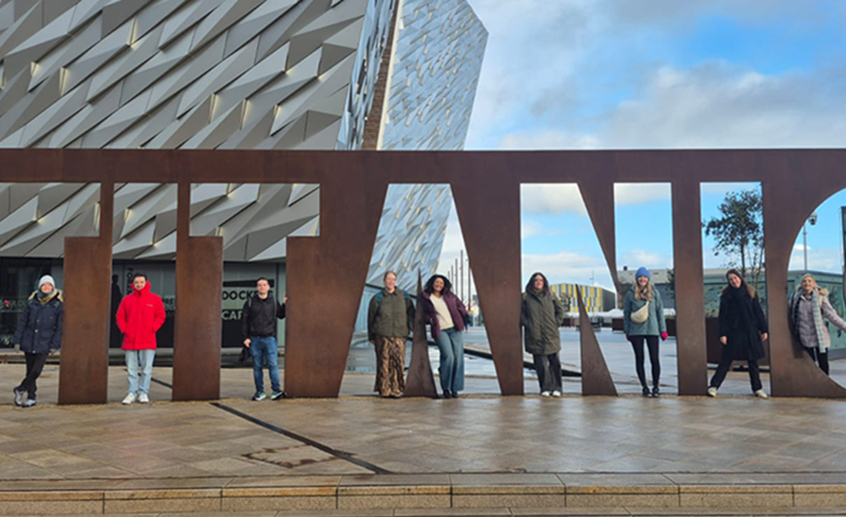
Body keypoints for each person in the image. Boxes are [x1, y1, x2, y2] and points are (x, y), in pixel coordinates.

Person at [708, 269, 769, 398]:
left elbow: (758, 312)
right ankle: (713, 386)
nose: (734, 281)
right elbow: (722, 317)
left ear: (740, 278)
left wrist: (764, 329)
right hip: (734, 332)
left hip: (750, 331)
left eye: (735, 278)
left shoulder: (750, 293)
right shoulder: (726, 296)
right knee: (726, 361)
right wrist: (722, 334)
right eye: (730, 279)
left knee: (753, 362)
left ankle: (757, 388)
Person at [12, 275, 63, 408]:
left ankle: (20, 388)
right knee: (30, 371)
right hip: (29, 340)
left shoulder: (57, 304)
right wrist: (17, 340)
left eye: (49, 285)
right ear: (40, 287)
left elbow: (59, 327)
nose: (46, 288)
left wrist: (54, 344)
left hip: (45, 342)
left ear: (53, 287)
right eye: (44, 285)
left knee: (37, 370)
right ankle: (31, 397)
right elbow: (22, 322)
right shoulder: (31, 302)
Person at [116, 273, 165, 405]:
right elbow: (120, 316)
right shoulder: (127, 300)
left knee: (146, 369)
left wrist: (152, 328)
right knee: (131, 369)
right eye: (136, 282)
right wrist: (125, 329)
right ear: (133, 284)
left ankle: (143, 392)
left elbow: (161, 315)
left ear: (146, 283)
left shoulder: (155, 299)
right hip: (130, 339)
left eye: (141, 282)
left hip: (148, 339)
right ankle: (132, 392)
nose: (139, 284)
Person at [368, 271, 415, 398]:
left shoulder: (404, 296)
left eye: (393, 279)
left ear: (396, 281)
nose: (390, 282)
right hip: (382, 334)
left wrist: (411, 328)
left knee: (398, 362)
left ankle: (396, 388)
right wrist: (371, 336)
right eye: (388, 279)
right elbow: (371, 317)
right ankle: (384, 389)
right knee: (384, 363)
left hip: (399, 334)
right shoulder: (377, 298)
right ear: (384, 281)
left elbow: (411, 314)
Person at [421, 274, 469, 398]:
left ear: (444, 285)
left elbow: (460, 306)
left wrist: (462, 315)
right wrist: (430, 319)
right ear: (432, 283)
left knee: (458, 358)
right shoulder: (426, 297)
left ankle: (455, 388)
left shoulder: (449, 296)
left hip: (455, 329)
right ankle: (446, 388)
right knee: (448, 356)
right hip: (440, 330)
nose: (439, 285)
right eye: (437, 282)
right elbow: (422, 313)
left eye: (441, 283)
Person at [623, 267, 668, 397]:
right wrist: (627, 330)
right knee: (640, 359)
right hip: (636, 331)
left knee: (654, 359)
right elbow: (626, 314)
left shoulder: (655, 293)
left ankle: (656, 386)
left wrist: (663, 329)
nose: (642, 279)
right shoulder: (630, 294)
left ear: (648, 279)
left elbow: (660, 312)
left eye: (645, 277)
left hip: (652, 330)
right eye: (640, 277)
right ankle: (644, 386)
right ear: (637, 279)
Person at [789, 274, 846, 375]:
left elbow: (832, 315)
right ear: (801, 284)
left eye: (809, 281)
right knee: (809, 364)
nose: (807, 283)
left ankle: (824, 385)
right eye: (804, 281)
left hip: (820, 337)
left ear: (814, 284)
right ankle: (812, 385)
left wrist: (844, 326)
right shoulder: (796, 298)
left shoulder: (821, 298)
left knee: (823, 363)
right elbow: (791, 316)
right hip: (804, 337)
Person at [241, 277, 286, 401]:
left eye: (264, 285)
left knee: (273, 365)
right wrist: (245, 338)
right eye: (259, 285)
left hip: (269, 338)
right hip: (254, 339)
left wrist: (285, 304)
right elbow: (244, 321)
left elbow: (281, 315)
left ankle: (276, 391)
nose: (262, 287)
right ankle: (260, 392)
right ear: (257, 287)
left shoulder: (273, 301)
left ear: (268, 287)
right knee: (257, 367)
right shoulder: (250, 302)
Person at [521, 272, 564, 397]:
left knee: (555, 362)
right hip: (535, 335)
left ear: (544, 282)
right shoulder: (525, 297)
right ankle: (545, 388)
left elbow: (560, 310)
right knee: (541, 365)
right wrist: (528, 324)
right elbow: (521, 314)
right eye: (536, 280)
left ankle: (557, 388)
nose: (538, 282)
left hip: (551, 334)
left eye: (541, 280)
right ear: (532, 282)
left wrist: (556, 324)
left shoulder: (550, 295)